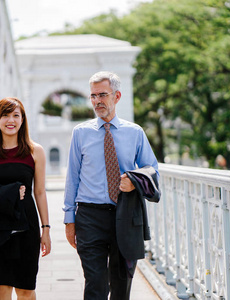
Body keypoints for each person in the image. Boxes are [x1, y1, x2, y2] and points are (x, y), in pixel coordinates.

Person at [63, 71, 159, 300]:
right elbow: (73, 177)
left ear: (117, 96)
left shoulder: (135, 132)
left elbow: (152, 169)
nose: (97, 101)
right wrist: (69, 218)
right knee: (95, 285)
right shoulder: (81, 133)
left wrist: (135, 184)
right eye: (93, 96)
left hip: (126, 215)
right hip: (89, 216)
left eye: (102, 95)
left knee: (121, 285)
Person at [0, 97, 51, 300]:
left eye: (16, 115)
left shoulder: (35, 151)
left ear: (23, 120)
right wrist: (6, 192)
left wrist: (46, 230)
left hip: (27, 225)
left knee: (25, 290)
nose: (10, 120)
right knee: (2, 290)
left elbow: (40, 192)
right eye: (5, 115)